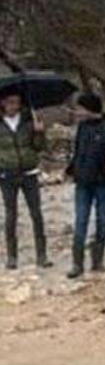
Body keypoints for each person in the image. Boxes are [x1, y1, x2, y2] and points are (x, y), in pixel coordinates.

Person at [66, 93, 105, 278]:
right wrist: (69, 170)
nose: (78, 112)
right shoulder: (82, 127)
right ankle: (77, 265)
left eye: (81, 109)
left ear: (91, 109)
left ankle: (97, 261)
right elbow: (78, 152)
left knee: (102, 222)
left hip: (104, 183)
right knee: (80, 222)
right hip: (82, 183)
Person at [0, 88, 50, 270]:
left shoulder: (29, 121)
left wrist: (39, 132)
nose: (15, 106)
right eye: (11, 102)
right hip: (7, 175)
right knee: (11, 215)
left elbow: (40, 147)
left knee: (36, 214)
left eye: (17, 102)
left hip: (29, 173)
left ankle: (42, 255)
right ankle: (12, 256)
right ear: (3, 103)